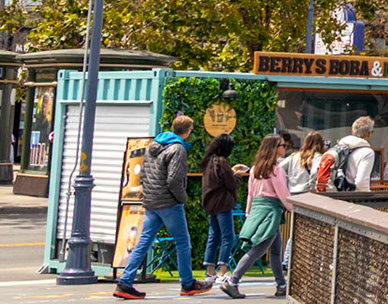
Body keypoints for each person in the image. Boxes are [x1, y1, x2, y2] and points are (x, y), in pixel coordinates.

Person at [115, 114, 211, 299]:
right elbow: (174, 179)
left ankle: (125, 282)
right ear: (188, 131)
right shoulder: (177, 149)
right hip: (169, 202)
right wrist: (182, 198)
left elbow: (144, 174)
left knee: (144, 242)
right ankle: (187, 282)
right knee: (182, 242)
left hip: (152, 201)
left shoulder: (154, 146)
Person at [216, 136, 290, 297]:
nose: (285, 147)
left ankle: (282, 284)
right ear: (275, 148)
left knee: (276, 249)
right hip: (270, 212)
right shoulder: (276, 170)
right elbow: (282, 193)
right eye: (283, 145)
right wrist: (292, 207)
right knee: (259, 249)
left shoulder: (256, 168)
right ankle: (233, 281)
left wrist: (249, 213)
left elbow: (251, 193)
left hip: (258, 209)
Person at [201, 135, 243, 279]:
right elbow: (231, 183)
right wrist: (237, 175)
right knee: (228, 237)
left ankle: (210, 270)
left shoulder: (208, 162)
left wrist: (231, 171)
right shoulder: (222, 161)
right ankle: (222, 270)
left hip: (211, 204)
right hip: (223, 204)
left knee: (213, 236)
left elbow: (218, 179)